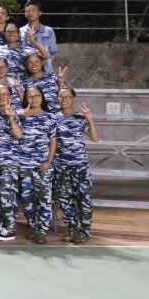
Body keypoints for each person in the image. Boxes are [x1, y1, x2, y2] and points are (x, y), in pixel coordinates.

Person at [54, 86, 99, 244]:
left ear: (73, 99)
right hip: (61, 167)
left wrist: (90, 119)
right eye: (61, 96)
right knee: (66, 200)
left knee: (83, 199)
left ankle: (85, 231)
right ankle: (72, 230)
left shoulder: (80, 118)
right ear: (57, 99)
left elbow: (94, 138)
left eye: (68, 96)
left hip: (80, 166)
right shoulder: (54, 118)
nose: (64, 99)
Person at [19, 86, 58, 244]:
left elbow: (53, 141)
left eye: (37, 95)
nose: (34, 98)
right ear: (26, 98)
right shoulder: (22, 115)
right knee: (26, 200)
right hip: (24, 165)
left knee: (44, 200)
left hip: (43, 166)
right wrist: (21, 116)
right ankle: (33, 227)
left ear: (42, 97)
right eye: (30, 96)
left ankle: (42, 231)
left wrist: (49, 161)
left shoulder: (50, 117)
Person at [0, 83, 24, 241]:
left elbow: (19, 135)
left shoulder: (14, 113)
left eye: (5, 94)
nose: (2, 97)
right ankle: (3, 225)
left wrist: (10, 117)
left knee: (7, 195)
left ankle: (10, 228)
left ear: (10, 96)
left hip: (9, 161)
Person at [19, 0, 58, 73]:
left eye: (34, 11)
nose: (30, 13)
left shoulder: (48, 31)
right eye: (28, 11)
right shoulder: (20, 31)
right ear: (25, 14)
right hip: (25, 71)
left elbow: (52, 52)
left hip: (45, 70)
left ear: (39, 13)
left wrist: (41, 65)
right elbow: (18, 52)